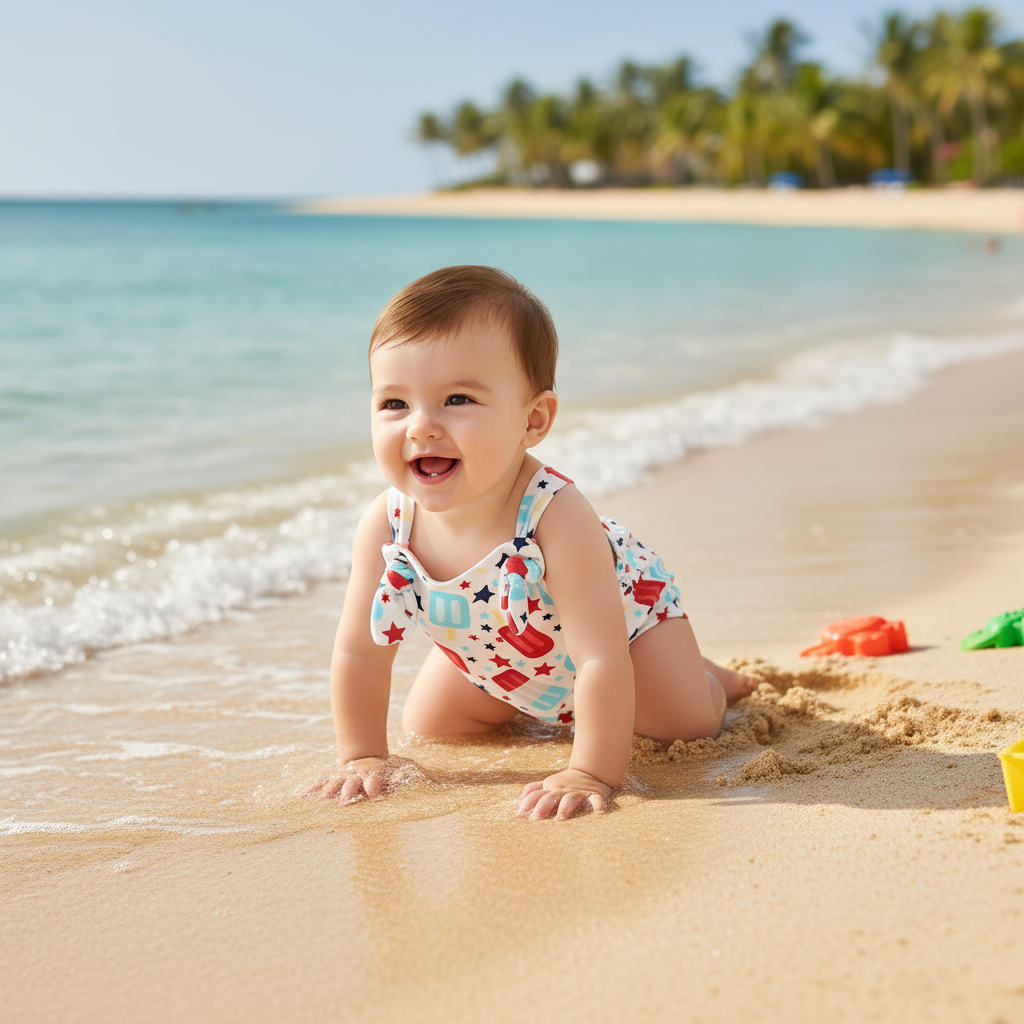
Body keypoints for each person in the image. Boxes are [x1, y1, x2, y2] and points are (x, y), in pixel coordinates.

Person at [308, 266, 756, 821]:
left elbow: (599, 656)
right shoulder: (388, 524)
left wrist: (589, 770)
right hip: (507, 652)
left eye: (457, 399)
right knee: (430, 728)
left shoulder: (556, 516)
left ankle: (704, 674)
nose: (420, 427)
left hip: (622, 637)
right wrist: (362, 756)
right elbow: (360, 652)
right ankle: (566, 696)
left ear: (533, 419)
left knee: (683, 722)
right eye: (394, 404)